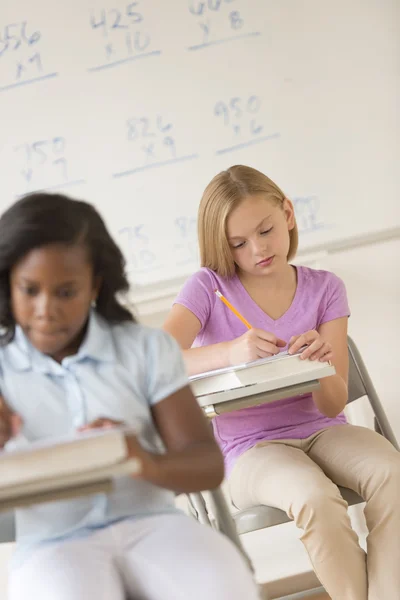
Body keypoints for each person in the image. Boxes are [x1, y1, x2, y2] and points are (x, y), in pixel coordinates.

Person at [0, 192, 259, 600]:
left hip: (152, 524)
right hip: (52, 545)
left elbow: (207, 464)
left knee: (221, 584)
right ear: (8, 284)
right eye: (29, 290)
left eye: (66, 292)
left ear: (94, 285)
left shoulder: (145, 349)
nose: (45, 309)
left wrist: (142, 459)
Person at [164, 164, 400, 600]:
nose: (258, 249)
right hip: (250, 451)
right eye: (238, 243)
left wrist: (322, 362)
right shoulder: (208, 287)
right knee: (314, 496)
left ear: (288, 213)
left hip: (324, 430)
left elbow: (331, 406)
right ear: (223, 245)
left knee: (392, 472)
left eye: (266, 230)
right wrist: (230, 352)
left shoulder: (326, 289)